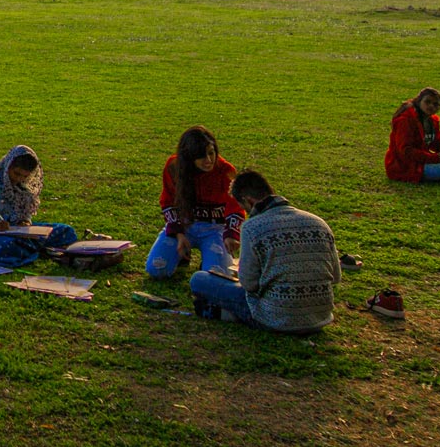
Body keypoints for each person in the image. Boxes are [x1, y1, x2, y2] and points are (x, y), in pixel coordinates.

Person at [188, 170, 340, 333]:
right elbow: (336, 277)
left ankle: (232, 314)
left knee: (199, 280)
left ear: (249, 201)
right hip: (319, 317)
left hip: (275, 317)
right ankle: (226, 314)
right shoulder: (319, 223)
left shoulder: (253, 227)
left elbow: (249, 284)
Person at [146, 126, 244, 279]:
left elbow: (236, 206)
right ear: (189, 157)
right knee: (156, 269)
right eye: (201, 156)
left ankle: (209, 260)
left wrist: (231, 234)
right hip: (185, 225)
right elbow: (168, 201)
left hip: (215, 228)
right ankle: (180, 257)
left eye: (211, 153)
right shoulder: (174, 167)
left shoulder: (225, 171)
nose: (209, 160)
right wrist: (178, 233)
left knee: (217, 276)